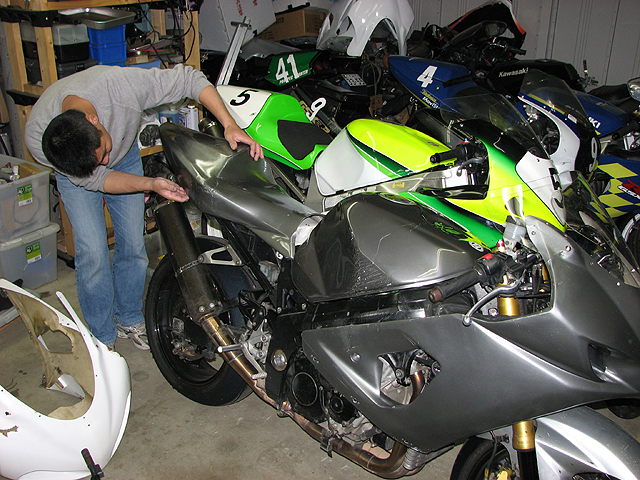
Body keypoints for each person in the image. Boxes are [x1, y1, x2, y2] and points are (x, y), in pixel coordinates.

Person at [24, 64, 263, 350]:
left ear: (94, 119)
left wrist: (229, 124)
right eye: (99, 159)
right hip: (79, 177)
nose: (104, 162)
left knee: (133, 243)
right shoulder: (41, 140)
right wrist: (148, 183)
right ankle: (101, 337)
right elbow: (99, 177)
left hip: (124, 152)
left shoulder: (121, 88)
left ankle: (128, 317)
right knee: (93, 253)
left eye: (103, 151)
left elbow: (190, 79)